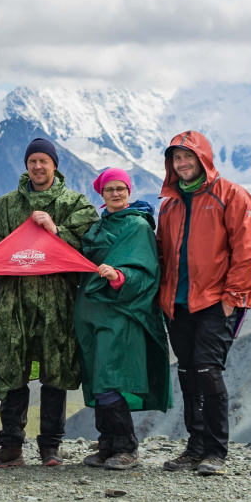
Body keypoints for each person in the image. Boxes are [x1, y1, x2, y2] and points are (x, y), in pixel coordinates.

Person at [0, 138, 99, 467]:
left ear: (54, 165)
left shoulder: (74, 203)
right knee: (12, 372)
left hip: (58, 302)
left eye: (43, 161)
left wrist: (56, 229)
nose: (37, 166)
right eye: (32, 161)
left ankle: (51, 446)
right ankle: (11, 447)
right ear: (26, 166)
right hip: (13, 302)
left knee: (55, 372)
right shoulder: (6, 206)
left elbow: (91, 240)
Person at [156, 132, 251, 477]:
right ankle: (195, 447)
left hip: (216, 302)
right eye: (176, 158)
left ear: (204, 159)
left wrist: (233, 300)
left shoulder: (231, 195)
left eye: (188, 157)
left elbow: (246, 252)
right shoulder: (170, 203)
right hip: (178, 304)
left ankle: (215, 451)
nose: (182, 163)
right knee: (187, 373)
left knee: (208, 372)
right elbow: (162, 252)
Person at [74, 170, 173, 470]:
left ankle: (127, 447)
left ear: (129, 192)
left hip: (120, 314)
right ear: (101, 194)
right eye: (109, 189)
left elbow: (145, 271)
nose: (115, 194)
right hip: (91, 314)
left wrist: (120, 276)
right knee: (98, 379)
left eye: (121, 189)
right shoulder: (98, 226)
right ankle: (107, 445)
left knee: (109, 377)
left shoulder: (137, 226)